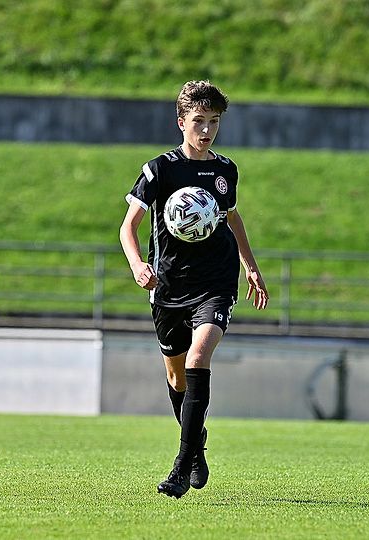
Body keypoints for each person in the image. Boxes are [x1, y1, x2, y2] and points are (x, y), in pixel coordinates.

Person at [119, 80, 269, 499]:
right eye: (199, 121)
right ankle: (196, 445)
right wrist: (138, 265)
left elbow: (231, 217)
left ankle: (182, 466)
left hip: (215, 282)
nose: (206, 130)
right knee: (176, 375)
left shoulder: (225, 170)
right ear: (181, 122)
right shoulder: (159, 170)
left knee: (198, 357)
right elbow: (128, 227)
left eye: (214, 122)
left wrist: (250, 266)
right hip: (169, 284)